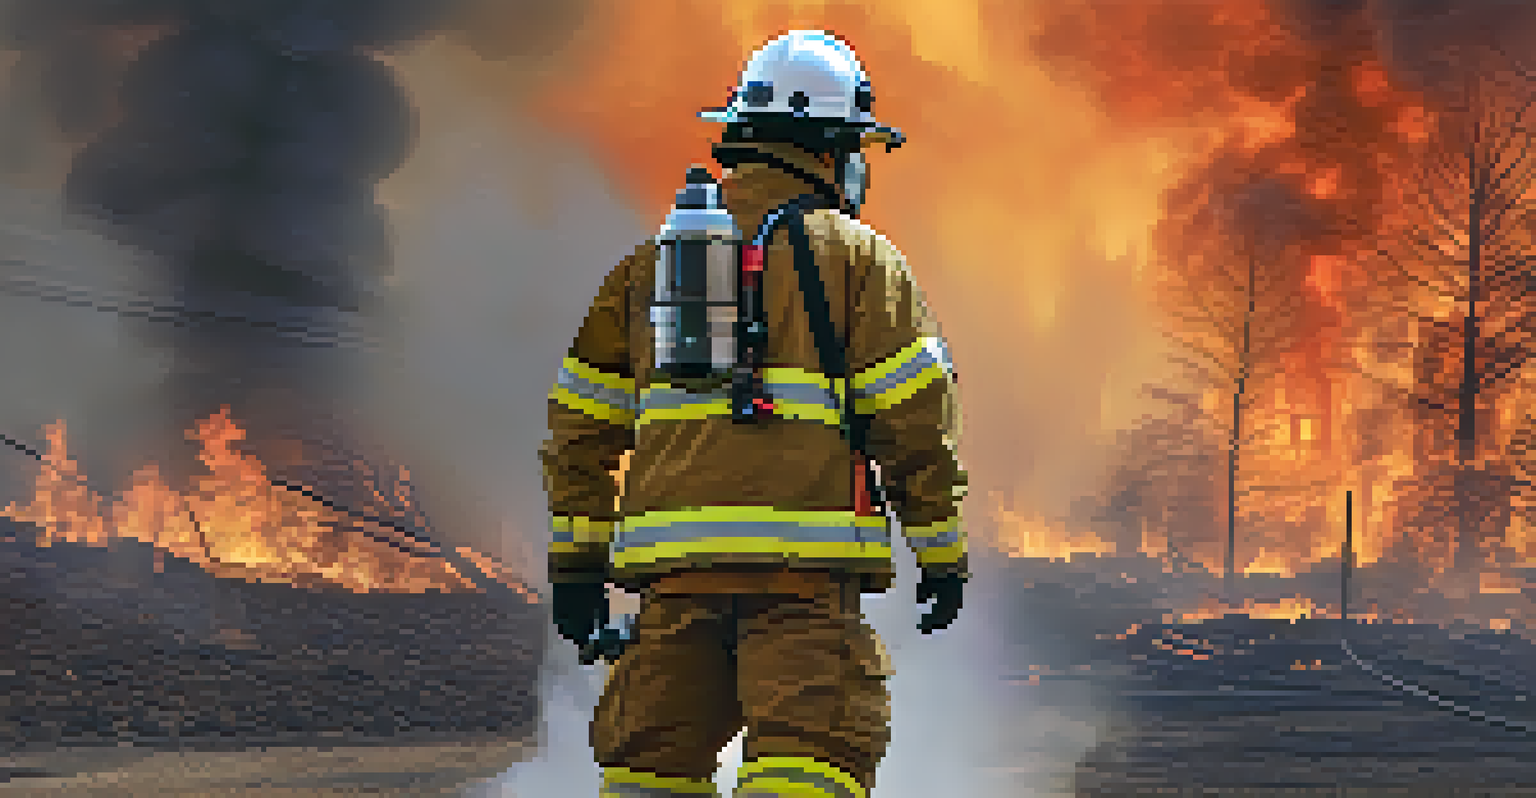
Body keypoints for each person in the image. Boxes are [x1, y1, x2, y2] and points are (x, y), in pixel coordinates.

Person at [539, 29, 969, 798]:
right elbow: (915, 425)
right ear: (831, 147)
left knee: (647, 771)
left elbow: (580, 430)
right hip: (802, 587)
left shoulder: (646, 268)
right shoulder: (863, 261)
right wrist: (941, 553)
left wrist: (575, 569)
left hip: (672, 591)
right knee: (809, 760)